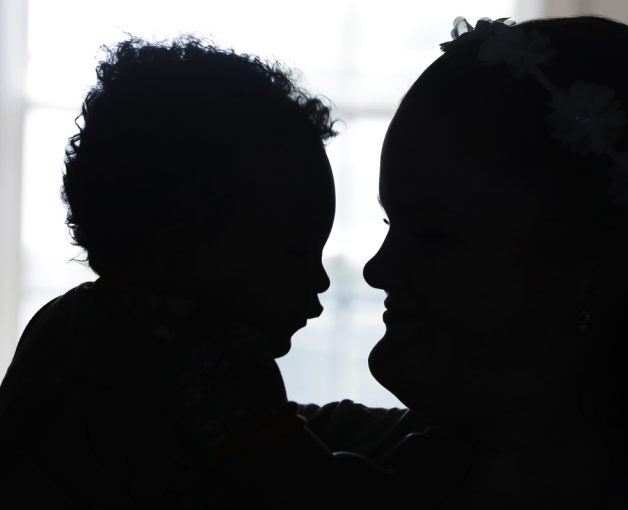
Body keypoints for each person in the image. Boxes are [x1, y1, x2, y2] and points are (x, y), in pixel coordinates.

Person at [350, 15, 628, 509]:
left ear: (590, 274)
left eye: (435, 238)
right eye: (389, 225)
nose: (378, 270)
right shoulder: (311, 448)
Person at [0, 37, 361, 509]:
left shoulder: (61, 320)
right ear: (179, 245)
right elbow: (310, 486)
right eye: (294, 255)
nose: (321, 282)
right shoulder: (209, 350)